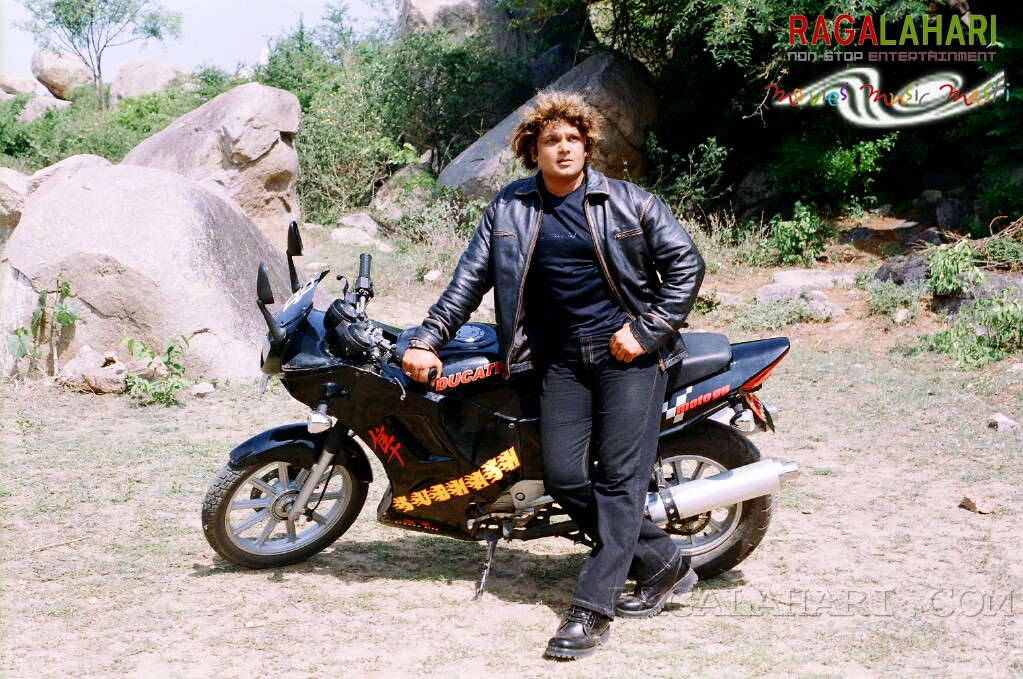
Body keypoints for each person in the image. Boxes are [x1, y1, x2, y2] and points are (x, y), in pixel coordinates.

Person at [402, 91, 705, 659]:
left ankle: (591, 610)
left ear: (587, 146)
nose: (563, 148)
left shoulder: (631, 203)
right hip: (559, 360)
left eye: (572, 139)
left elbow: (686, 264)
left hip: (629, 358)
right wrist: (427, 338)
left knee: (618, 483)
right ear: (532, 150)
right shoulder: (509, 208)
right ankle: (663, 560)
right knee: (564, 477)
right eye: (550, 140)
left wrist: (646, 331)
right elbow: (469, 280)